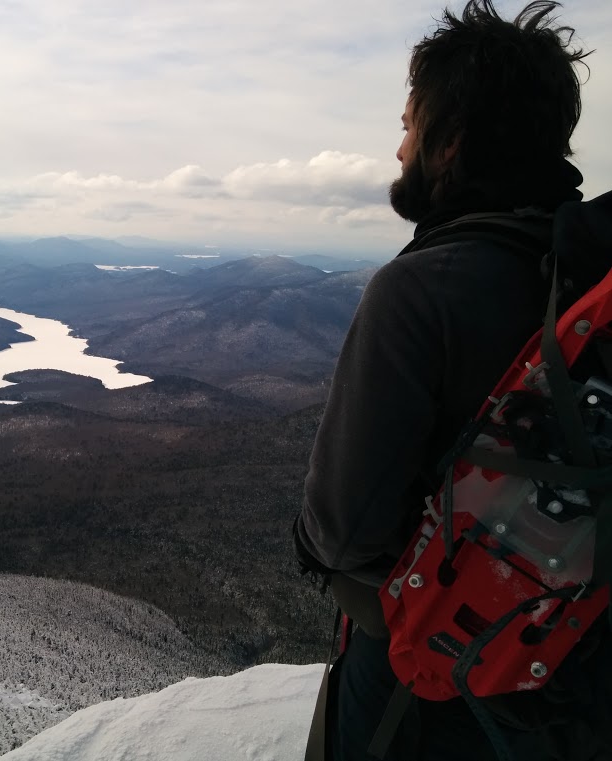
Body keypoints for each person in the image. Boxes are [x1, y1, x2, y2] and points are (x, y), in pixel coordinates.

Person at [293, 2, 611, 759]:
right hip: (581, 679)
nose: (399, 145)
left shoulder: (420, 290)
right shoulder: (591, 282)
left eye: (409, 124)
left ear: (450, 145)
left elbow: (344, 531)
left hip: (435, 680)